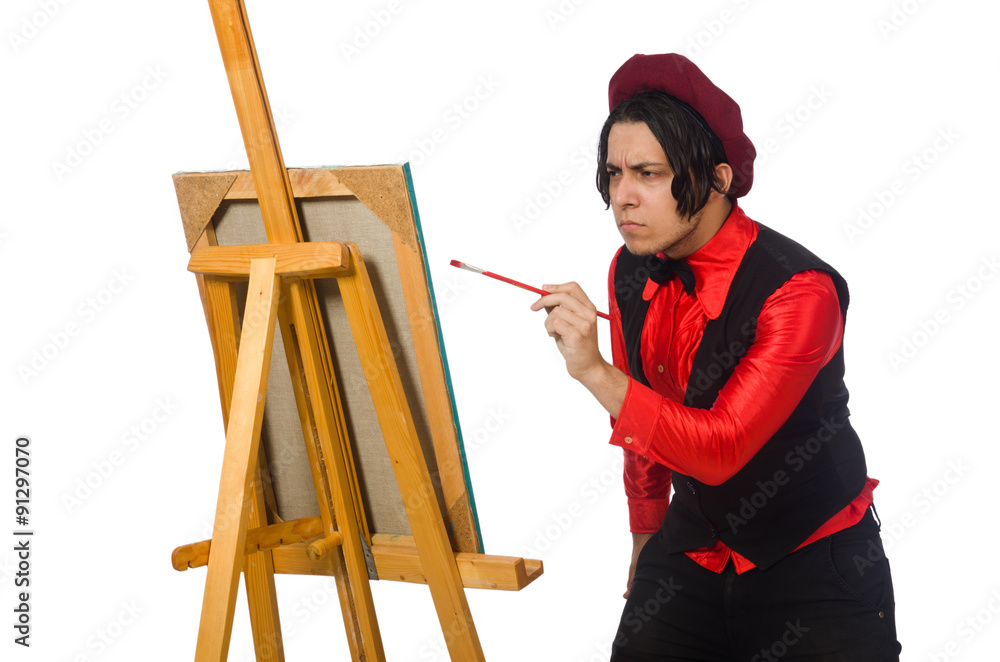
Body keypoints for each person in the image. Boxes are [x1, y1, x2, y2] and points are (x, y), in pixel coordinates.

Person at [530, 53, 902, 661]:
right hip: (692, 546)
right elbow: (641, 423)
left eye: (648, 173)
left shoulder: (799, 290)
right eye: (613, 173)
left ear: (717, 179)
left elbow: (720, 449)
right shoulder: (631, 269)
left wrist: (594, 373)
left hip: (813, 558)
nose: (622, 197)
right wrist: (646, 535)